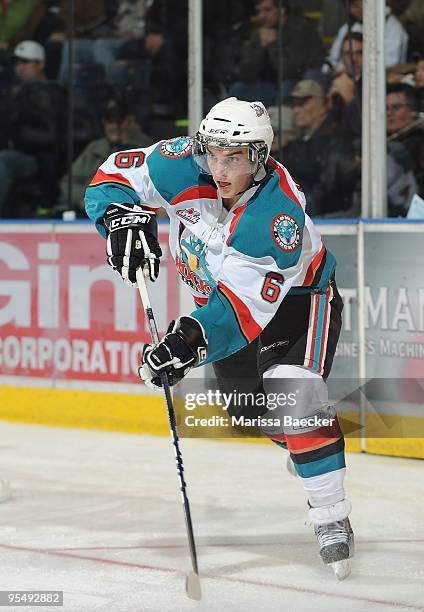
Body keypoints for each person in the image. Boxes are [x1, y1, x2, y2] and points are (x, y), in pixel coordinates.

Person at [85, 97, 354, 579]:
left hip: (297, 304)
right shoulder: (180, 162)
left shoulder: (276, 218)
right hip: (222, 305)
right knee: (249, 412)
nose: (221, 168)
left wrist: (185, 343)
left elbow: (240, 314)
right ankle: (306, 447)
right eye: (214, 153)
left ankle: (330, 516)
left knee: (296, 397)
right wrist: (118, 220)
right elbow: (113, 175)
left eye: (236, 158)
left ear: (261, 157)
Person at [0, 40, 67, 216]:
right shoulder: (14, 92)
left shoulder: (54, 92)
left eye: (25, 62)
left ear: (41, 64)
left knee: (3, 161)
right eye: (17, 63)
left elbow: (53, 136)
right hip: (14, 151)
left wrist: (16, 134)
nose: (19, 68)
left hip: (38, 159)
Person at [58, 96, 153, 214]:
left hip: (134, 214)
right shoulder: (95, 148)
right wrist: (86, 200)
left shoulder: (146, 148)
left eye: (119, 120)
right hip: (94, 214)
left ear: (130, 121)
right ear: (103, 123)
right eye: (109, 121)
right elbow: (68, 183)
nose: (114, 126)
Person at [282, 80, 359, 217]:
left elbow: (328, 190)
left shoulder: (337, 140)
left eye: (303, 102)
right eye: (294, 104)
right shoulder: (296, 144)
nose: (296, 109)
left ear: (326, 104)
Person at [229, 0, 326, 105]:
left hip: (298, 83)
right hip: (271, 85)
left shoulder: (302, 29)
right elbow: (245, 73)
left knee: (286, 87)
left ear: (282, 9)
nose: (262, 16)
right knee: (237, 89)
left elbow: (288, 71)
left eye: (267, 10)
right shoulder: (260, 32)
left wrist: (272, 45)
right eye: (259, 12)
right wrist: (260, 48)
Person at [327, 0, 408, 71]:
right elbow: (331, 61)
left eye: (355, 5)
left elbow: (390, 63)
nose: (352, 11)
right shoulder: (348, 27)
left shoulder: (393, 27)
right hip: (346, 77)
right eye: (349, 6)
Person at [386, 83, 424, 196]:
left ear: (413, 111)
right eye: (385, 108)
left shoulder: (420, 142)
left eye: (396, 107)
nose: (389, 113)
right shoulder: (380, 140)